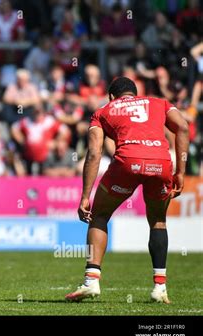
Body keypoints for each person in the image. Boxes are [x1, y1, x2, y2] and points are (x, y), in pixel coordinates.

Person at [65, 77, 189, 304]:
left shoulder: (103, 110)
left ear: (111, 96)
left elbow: (93, 153)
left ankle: (91, 280)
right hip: (160, 163)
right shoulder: (158, 102)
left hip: (127, 163)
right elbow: (182, 126)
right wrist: (181, 171)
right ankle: (159, 287)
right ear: (136, 93)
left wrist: (85, 196)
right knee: (158, 221)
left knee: (100, 215)